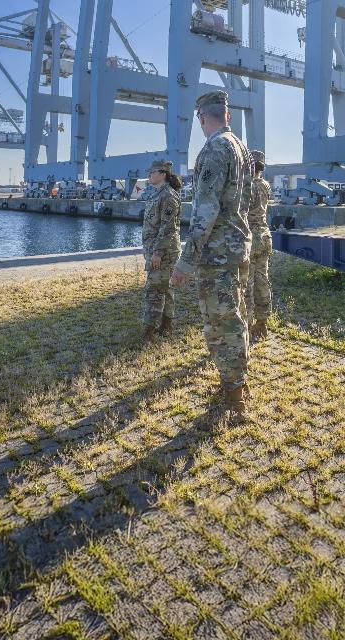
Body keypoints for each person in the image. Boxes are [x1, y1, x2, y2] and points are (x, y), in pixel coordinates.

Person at [171, 90, 253, 419]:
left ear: (202, 118)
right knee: (235, 316)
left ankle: (234, 394)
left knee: (221, 321)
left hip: (217, 253)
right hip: (237, 247)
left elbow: (205, 211)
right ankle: (235, 383)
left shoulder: (215, 148)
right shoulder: (241, 147)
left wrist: (185, 261)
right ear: (227, 115)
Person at [141, 160, 183, 341]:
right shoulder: (158, 194)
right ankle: (167, 326)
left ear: (163, 174)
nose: (149, 174)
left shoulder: (168, 196)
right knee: (165, 289)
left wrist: (157, 253)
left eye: (152, 171)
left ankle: (149, 332)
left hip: (163, 252)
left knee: (155, 289)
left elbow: (168, 228)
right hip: (158, 250)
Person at [246, 150, 272, 340]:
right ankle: (262, 323)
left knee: (247, 283)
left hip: (249, 237)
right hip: (264, 235)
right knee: (262, 279)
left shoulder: (246, 186)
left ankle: (246, 325)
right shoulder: (265, 185)